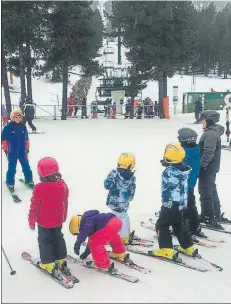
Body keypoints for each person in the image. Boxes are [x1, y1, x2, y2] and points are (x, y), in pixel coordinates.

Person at [152, 143, 196, 260]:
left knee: (162, 225)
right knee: (178, 225)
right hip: (181, 205)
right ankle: (187, 246)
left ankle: (166, 249)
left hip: (170, 205)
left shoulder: (169, 172)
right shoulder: (184, 169)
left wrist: (167, 166)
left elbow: (169, 186)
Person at [28, 157, 69, 276]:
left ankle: (48, 263)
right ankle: (61, 259)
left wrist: (31, 220)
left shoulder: (39, 188)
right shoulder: (62, 185)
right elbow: (65, 202)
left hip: (44, 222)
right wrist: (63, 216)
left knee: (45, 240)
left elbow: (34, 206)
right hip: (58, 220)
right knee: (58, 237)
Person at [198, 110, 228, 227]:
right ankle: (215, 214)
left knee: (205, 192)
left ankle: (208, 217)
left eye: (203, 120)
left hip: (208, 167)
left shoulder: (210, 133)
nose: (202, 123)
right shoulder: (212, 132)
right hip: (211, 167)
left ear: (209, 121)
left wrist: (202, 165)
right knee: (211, 190)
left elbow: (208, 152)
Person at [178, 128, 205, 238]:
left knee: (187, 205)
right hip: (189, 182)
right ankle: (192, 225)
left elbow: (182, 166)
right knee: (190, 203)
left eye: (180, 139)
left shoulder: (187, 152)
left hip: (186, 183)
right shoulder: (194, 149)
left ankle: (189, 227)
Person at [104, 153, 136, 245]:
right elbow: (132, 189)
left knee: (119, 218)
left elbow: (107, 186)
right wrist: (130, 197)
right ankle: (126, 232)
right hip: (124, 202)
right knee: (124, 216)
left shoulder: (114, 174)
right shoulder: (132, 177)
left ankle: (123, 237)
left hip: (114, 202)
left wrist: (109, 180)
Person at [1, 109, 34, 192]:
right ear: (12, 117)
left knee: (26, 167)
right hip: (12, 152)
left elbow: (26, 139)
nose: (18, 119)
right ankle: (10, 183)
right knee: (12, 168)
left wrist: (27, 148)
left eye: (19, 117)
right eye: (16, 117)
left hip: (22, 151)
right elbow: (3, 140)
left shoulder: (23, 126)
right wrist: (5, 150)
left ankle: (29, 181)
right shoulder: (8, 127)